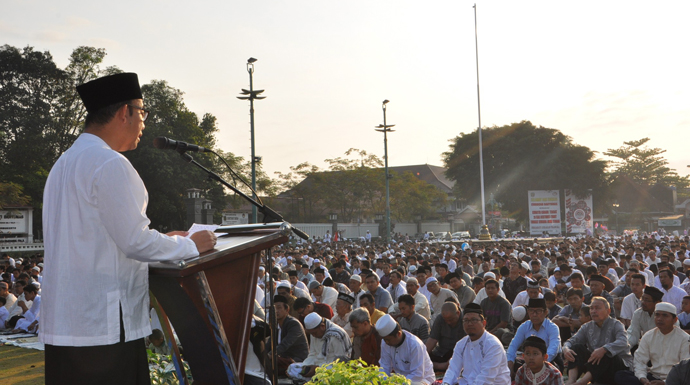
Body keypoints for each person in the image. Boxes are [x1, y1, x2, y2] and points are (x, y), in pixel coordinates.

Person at [40, 73, 218, 385]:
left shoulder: (64, 163)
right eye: (143, 113)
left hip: (68, 324)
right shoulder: (110, 164)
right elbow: (135, 242)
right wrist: (192, 245)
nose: (144, 123)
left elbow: (102, 237)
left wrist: (165, 239)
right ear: (126, 112)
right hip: (105, 327)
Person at [615, 302, 690, 385]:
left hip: (675, 379)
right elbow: (640, 360)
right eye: (657, 315)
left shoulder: (684, 338)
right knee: (621, 375)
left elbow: (685, 369)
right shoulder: (649, 335)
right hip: (653, 377)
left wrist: (664, 383)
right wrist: (643, 378)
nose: (659, 319)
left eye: (665, 315)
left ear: (675, 320)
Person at [562, 297, 632, 385]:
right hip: (596, 364)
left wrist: (604, 349)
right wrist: (566, 348)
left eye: (597, 308)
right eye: (591, 308)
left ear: (608, 311)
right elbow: (572, 340)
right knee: (576, 347)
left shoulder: (617, 324)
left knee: (605, 353)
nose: (593, 311)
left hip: (617, 366)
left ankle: (582, 382)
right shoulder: (587, 326)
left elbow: (623, 342)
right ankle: (571, 381)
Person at [441, 303, 511, 385]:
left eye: (474, 320)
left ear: (484, 323)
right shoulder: (461, 344)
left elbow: (486, 379)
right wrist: (446, 383)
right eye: (466, 320)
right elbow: (453, 369)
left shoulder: (492, 345)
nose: (469, 324)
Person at [507, 298, 562, 377]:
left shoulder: (552, 327)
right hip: (530, 360)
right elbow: (513, 345)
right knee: (513, 365)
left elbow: (553, 349)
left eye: (538, 311)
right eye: (531, 311)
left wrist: (540, 362)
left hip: (549, 360)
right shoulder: (524, 326)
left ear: (545, 312)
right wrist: (510, 362)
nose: (534, 315)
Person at [288, 312, 351, 378]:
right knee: (292, 368)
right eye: (311, 333)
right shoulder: (314, 333)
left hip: (331, 368)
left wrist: (318, 369)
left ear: (322, 326)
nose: (313, 335)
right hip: (316, 365)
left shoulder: (336, 335)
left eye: (314, 333)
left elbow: (341, 363)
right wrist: (306, 366)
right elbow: (312, 354)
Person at [377, 314, 435, 385]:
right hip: (399, 380)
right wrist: (383, 381)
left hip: (422, 380)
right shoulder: (385, 342)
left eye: (388, 340)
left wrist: (399, 383)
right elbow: (384, 366)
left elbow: (417, 374)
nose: (386, 342)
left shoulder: (414, 344)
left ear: (398, 334)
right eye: (385, 340)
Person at [271, 295, 309, 375]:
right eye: (274, 309)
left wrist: (270, 354)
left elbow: (285, 343)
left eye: (279, 308)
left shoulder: (293, 324)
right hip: (284, 358)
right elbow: (269, 343)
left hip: (297, 359)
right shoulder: (275, 325)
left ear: (287, 309)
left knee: (271, 361)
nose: (276, 311)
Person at [425, 302, 465, 370]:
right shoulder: (440, 318)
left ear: (458, 313)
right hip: (442, 352)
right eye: (446, 320)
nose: (448, 322)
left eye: (451, 319)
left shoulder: (465, 320)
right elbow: (433, 339)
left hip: (459, 353)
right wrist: (423, 356)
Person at [627, 286, 666, 352]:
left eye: (647, 300)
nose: (643, 302)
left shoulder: (666, 315)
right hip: (645, 347)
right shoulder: (638, 313)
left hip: (663, 348)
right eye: (642, 299)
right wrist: (625, 347)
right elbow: (633, 334)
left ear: (657, 303)